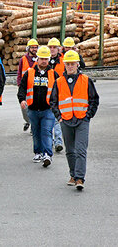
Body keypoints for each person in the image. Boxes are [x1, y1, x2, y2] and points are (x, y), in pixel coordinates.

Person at [50, 50, 99, 190]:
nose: (70, 66)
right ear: (64, 65)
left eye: (73, 64)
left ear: (78, 64)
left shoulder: (86, 80)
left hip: (82, 120)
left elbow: (94, 99)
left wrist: (88, 115)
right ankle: (73, 175)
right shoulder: (59, 82)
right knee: (70, 150)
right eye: (68, 64)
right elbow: (53, 101)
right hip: (65, 120)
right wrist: (59, 117)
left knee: (80, 150)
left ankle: (79, 178)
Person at [17, 46, 59, 167]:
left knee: (46, 131)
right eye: (42, 58)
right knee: (36, 132)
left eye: (46, 59)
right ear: (37, 59)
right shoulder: (29, 73)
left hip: (48, 109)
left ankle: (47, 154)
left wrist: (55, 105)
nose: (44, 61)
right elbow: (22, 88)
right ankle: (38, 152)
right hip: (33, 109)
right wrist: (22, 99)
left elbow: (58, 91)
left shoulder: (53, 74)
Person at [47, 38, 65, 153]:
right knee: (48, 120)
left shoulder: (63, 61)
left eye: (54, 47)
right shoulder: (43, 60)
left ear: (59, 48)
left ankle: (58, 142)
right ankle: (50, 141)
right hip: (46, 95)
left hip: (59, 94)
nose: (52, 49)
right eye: (50, 47)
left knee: (57, 119)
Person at [17, 39, 39, 132]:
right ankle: (28, 121)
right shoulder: (23, 59)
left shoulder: (40, 59)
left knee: (35, 108)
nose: (34, 49)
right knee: (24, 108)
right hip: (25, 87)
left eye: (36, 47)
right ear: (28, 48)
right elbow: (19, 73)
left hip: (36, 87)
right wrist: (19, 85)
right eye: (32, 47)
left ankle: (34, 125)